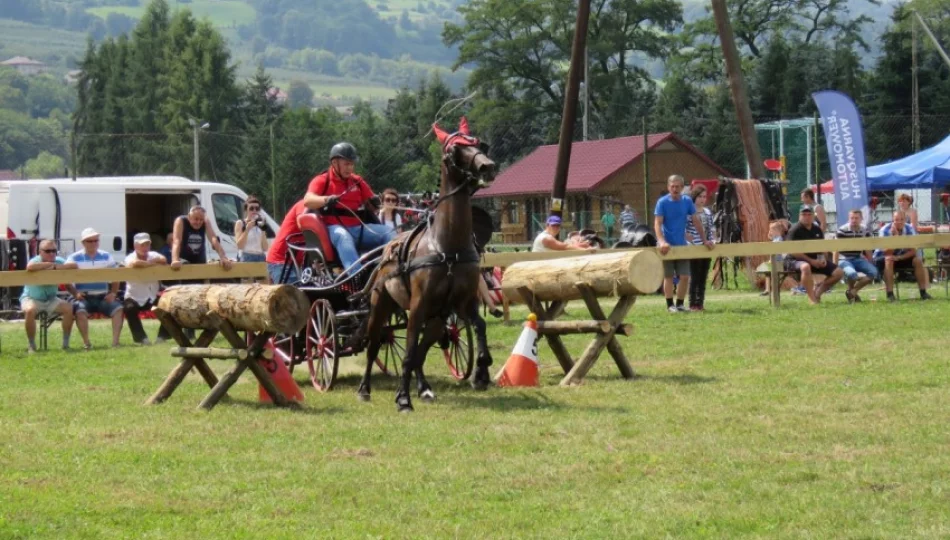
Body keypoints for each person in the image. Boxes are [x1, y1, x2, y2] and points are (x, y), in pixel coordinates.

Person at [303, 142, 396, 273]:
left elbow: (371, 200)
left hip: (359, 229)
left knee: (389, 232)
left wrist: (375, 201)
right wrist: (326, 199)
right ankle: (356, 275)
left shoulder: (357, 181)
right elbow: (308, 200)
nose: (350, 168)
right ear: (335, 163)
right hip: (334, 229)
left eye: (352, 164)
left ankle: (392, 270)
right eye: (346, 164)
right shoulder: (322, 180)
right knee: (343, 236)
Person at [654, 175, 713, 313]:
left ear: (682, 187)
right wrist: (662, 241)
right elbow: (657, 223)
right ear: (668, 187)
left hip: (682, 244)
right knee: (668, 276)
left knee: (685, 276)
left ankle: (680, 304)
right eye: (672, 186)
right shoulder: (662, 202)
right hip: (666, 246)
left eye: (678, 186)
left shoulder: (687, 201)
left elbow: (696, 221)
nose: (675, 189)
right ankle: (670, 305)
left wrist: (704, 240)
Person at [66, 228, 124, 349]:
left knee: (118, 309)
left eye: (95, 240)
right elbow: (65, 279)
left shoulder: (106, 256)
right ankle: (87, 343)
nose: (93, 243)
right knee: (80, 312)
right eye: (90, 241)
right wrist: (75, 293)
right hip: (84, 296)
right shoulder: (73, 258)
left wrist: (113, 293)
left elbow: (116, 275)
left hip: (103, 295)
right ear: (83, 243)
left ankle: (115, 343)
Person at [21, 239, 77, 352]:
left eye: (54, 251)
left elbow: (74, 265)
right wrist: (49, 265)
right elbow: (30, 267)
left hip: (51, 299)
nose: (51, 253)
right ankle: (31, 345)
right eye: (48, 251)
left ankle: (65, 345)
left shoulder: (58, 261)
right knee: (29, 310)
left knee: (68, 308)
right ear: (40, 252)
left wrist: (56, 267)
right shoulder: (36, 260)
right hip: (31, 298)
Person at [784, 206, 844, 304]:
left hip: (814, 260)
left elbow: (821, 247)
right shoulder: (794, 230)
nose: (806, 217)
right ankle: (812, 299)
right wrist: (811, 261)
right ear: (799, 216)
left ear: (813, 216)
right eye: (804, 214)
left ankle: (818, 292)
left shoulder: (817, 229)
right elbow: (793, 252)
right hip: (793, 261)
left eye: (809, 214)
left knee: (839, 272)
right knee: (805, 267)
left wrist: (823, 259)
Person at [873, 211, 932, 302]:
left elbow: (913, 251)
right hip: (882, 258)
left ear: (905, 220)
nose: (899, 222)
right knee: (889, 259)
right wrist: (896, 239)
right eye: (896, 219)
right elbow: (887, 252)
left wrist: (899, 258)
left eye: (902, 219)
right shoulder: (885, 230)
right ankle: (890, 295)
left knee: (918, 260)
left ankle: (923, 293)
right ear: (893, 220)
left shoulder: (909, 229)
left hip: (900, 256)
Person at [123, 232, 168, 345]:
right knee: (129, 308)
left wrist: (149, 263)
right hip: (134, 296)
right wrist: (152, 263)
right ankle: (142, 338)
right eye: (142, 245)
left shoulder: (153, 254)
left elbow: (163, 260)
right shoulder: (130, 257)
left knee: (168, 307)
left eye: (147, 245)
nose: (145, 248)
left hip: (151, 296)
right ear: (135, 246)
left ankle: (162, 337)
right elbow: (135, 264)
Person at [834, 209, 879, 304]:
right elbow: (836, 248)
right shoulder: (842, 230)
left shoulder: (865, 229)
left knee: (873, 272)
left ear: (861, 219)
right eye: (852, 218)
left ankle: (852, 292)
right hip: (844, 258)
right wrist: (834, 265)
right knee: (852, 275)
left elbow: (867, 247)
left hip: (858, 258)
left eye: (856, 218)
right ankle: (852, 292)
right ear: (848, 218)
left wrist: (871, 262)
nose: (854, 220)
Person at [170, 205, 233, 270]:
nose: (198, 222)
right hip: (183, 259)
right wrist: (175, 260)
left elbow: (213, 238)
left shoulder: (205, 221)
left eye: (201, 220)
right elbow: (176, 241)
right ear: (189, 216)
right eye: (196, 219)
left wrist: (223, 257)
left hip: (199, 259)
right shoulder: (181, 221)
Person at [685, 184, 716, 311]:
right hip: (694, 247)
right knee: (694, 276)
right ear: (694, 197)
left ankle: (700, 303)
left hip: (706, 247)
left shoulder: (708, 212)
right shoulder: (689, 212)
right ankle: (693, 303)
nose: (702, 199)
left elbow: (711, 228)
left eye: (704, 197)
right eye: (699, 197)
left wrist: (713, 239)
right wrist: (687, 238)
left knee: (703, 276)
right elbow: (685, 228)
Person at [265, 199, 308, 284]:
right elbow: (302, 223)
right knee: (291, 294)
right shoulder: (304, 204)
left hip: (294, 264)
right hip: (280, 261)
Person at [234, 195, 269, 262]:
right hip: (247, 257)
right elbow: (239, 246)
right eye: (251, 208)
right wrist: (247, 230)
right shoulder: (240, 223)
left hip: (261, 257)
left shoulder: (260, 223)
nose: (254, 210)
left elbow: (265, 248)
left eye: (257, 208)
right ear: (246, 210)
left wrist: (263, 230)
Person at [761, 221, 789, 296]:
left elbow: (778, 253)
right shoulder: (776, 239)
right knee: (767, 272)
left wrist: (771, 261)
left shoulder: (778, 240)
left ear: (776, 231)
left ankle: (771, 289)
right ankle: (768, 289)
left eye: (771, 230)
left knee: (770, 272)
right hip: (775, 262)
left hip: (778, 263)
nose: (769, 232)